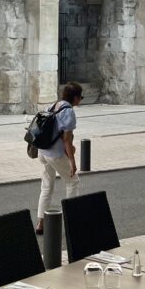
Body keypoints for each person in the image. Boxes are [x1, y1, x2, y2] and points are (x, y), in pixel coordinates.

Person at [35, 81, 82, 234]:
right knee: (73, 181)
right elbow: (66, 140)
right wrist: (72, 161)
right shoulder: (69, 112)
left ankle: (41, 222)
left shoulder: (54, 105)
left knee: (47, 186)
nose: (80, 100)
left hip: (43, 152)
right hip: (55, 154)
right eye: (80, 97)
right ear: (75, 98)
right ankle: (72, 220)